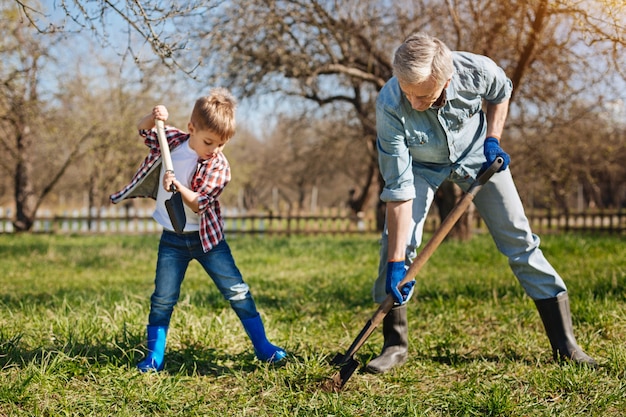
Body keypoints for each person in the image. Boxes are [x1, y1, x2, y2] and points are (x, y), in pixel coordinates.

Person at [366, 32, 596, 374]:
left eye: (424, 95)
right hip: (420, 166)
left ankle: (565, 343)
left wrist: (493, 139)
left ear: (446, 79)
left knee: (519, 240)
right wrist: (398, 261)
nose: (414, 103)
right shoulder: (389, 104)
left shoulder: (475, 70)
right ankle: (394, 345)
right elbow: (399, 189)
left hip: (478, 158)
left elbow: (501, 92)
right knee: (395, 249)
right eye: (407, 92)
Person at [110, 88, 287, 371]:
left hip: (209, 242)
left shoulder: (219, 166)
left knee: (237, 291)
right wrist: (153, 116)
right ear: (191, 128)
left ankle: (263, 346)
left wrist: (177, 187)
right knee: (163, 298)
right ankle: (154, 356)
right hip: (173, 240)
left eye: (220, 144)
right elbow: (144, 131)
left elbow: (199, 204)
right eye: (208, 141)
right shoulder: (173, 141)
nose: (214, 149)